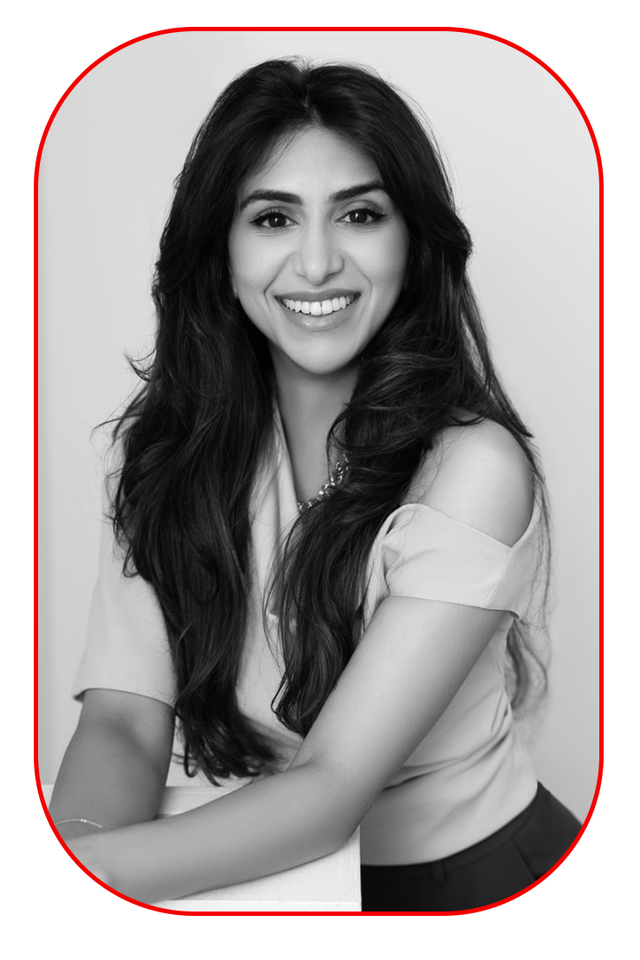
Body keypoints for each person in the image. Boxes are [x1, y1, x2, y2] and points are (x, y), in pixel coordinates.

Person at [48, 57, 581, 911]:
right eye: (272, 218)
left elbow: (330, 791)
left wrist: (72, 879)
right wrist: (78, 851)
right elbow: (121, 718)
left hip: (472, 887)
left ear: (412, 241)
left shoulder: (474, 469)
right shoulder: (164, 453)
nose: (320, 261)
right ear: (220, 250)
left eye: (361, 215)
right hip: (251, 882)